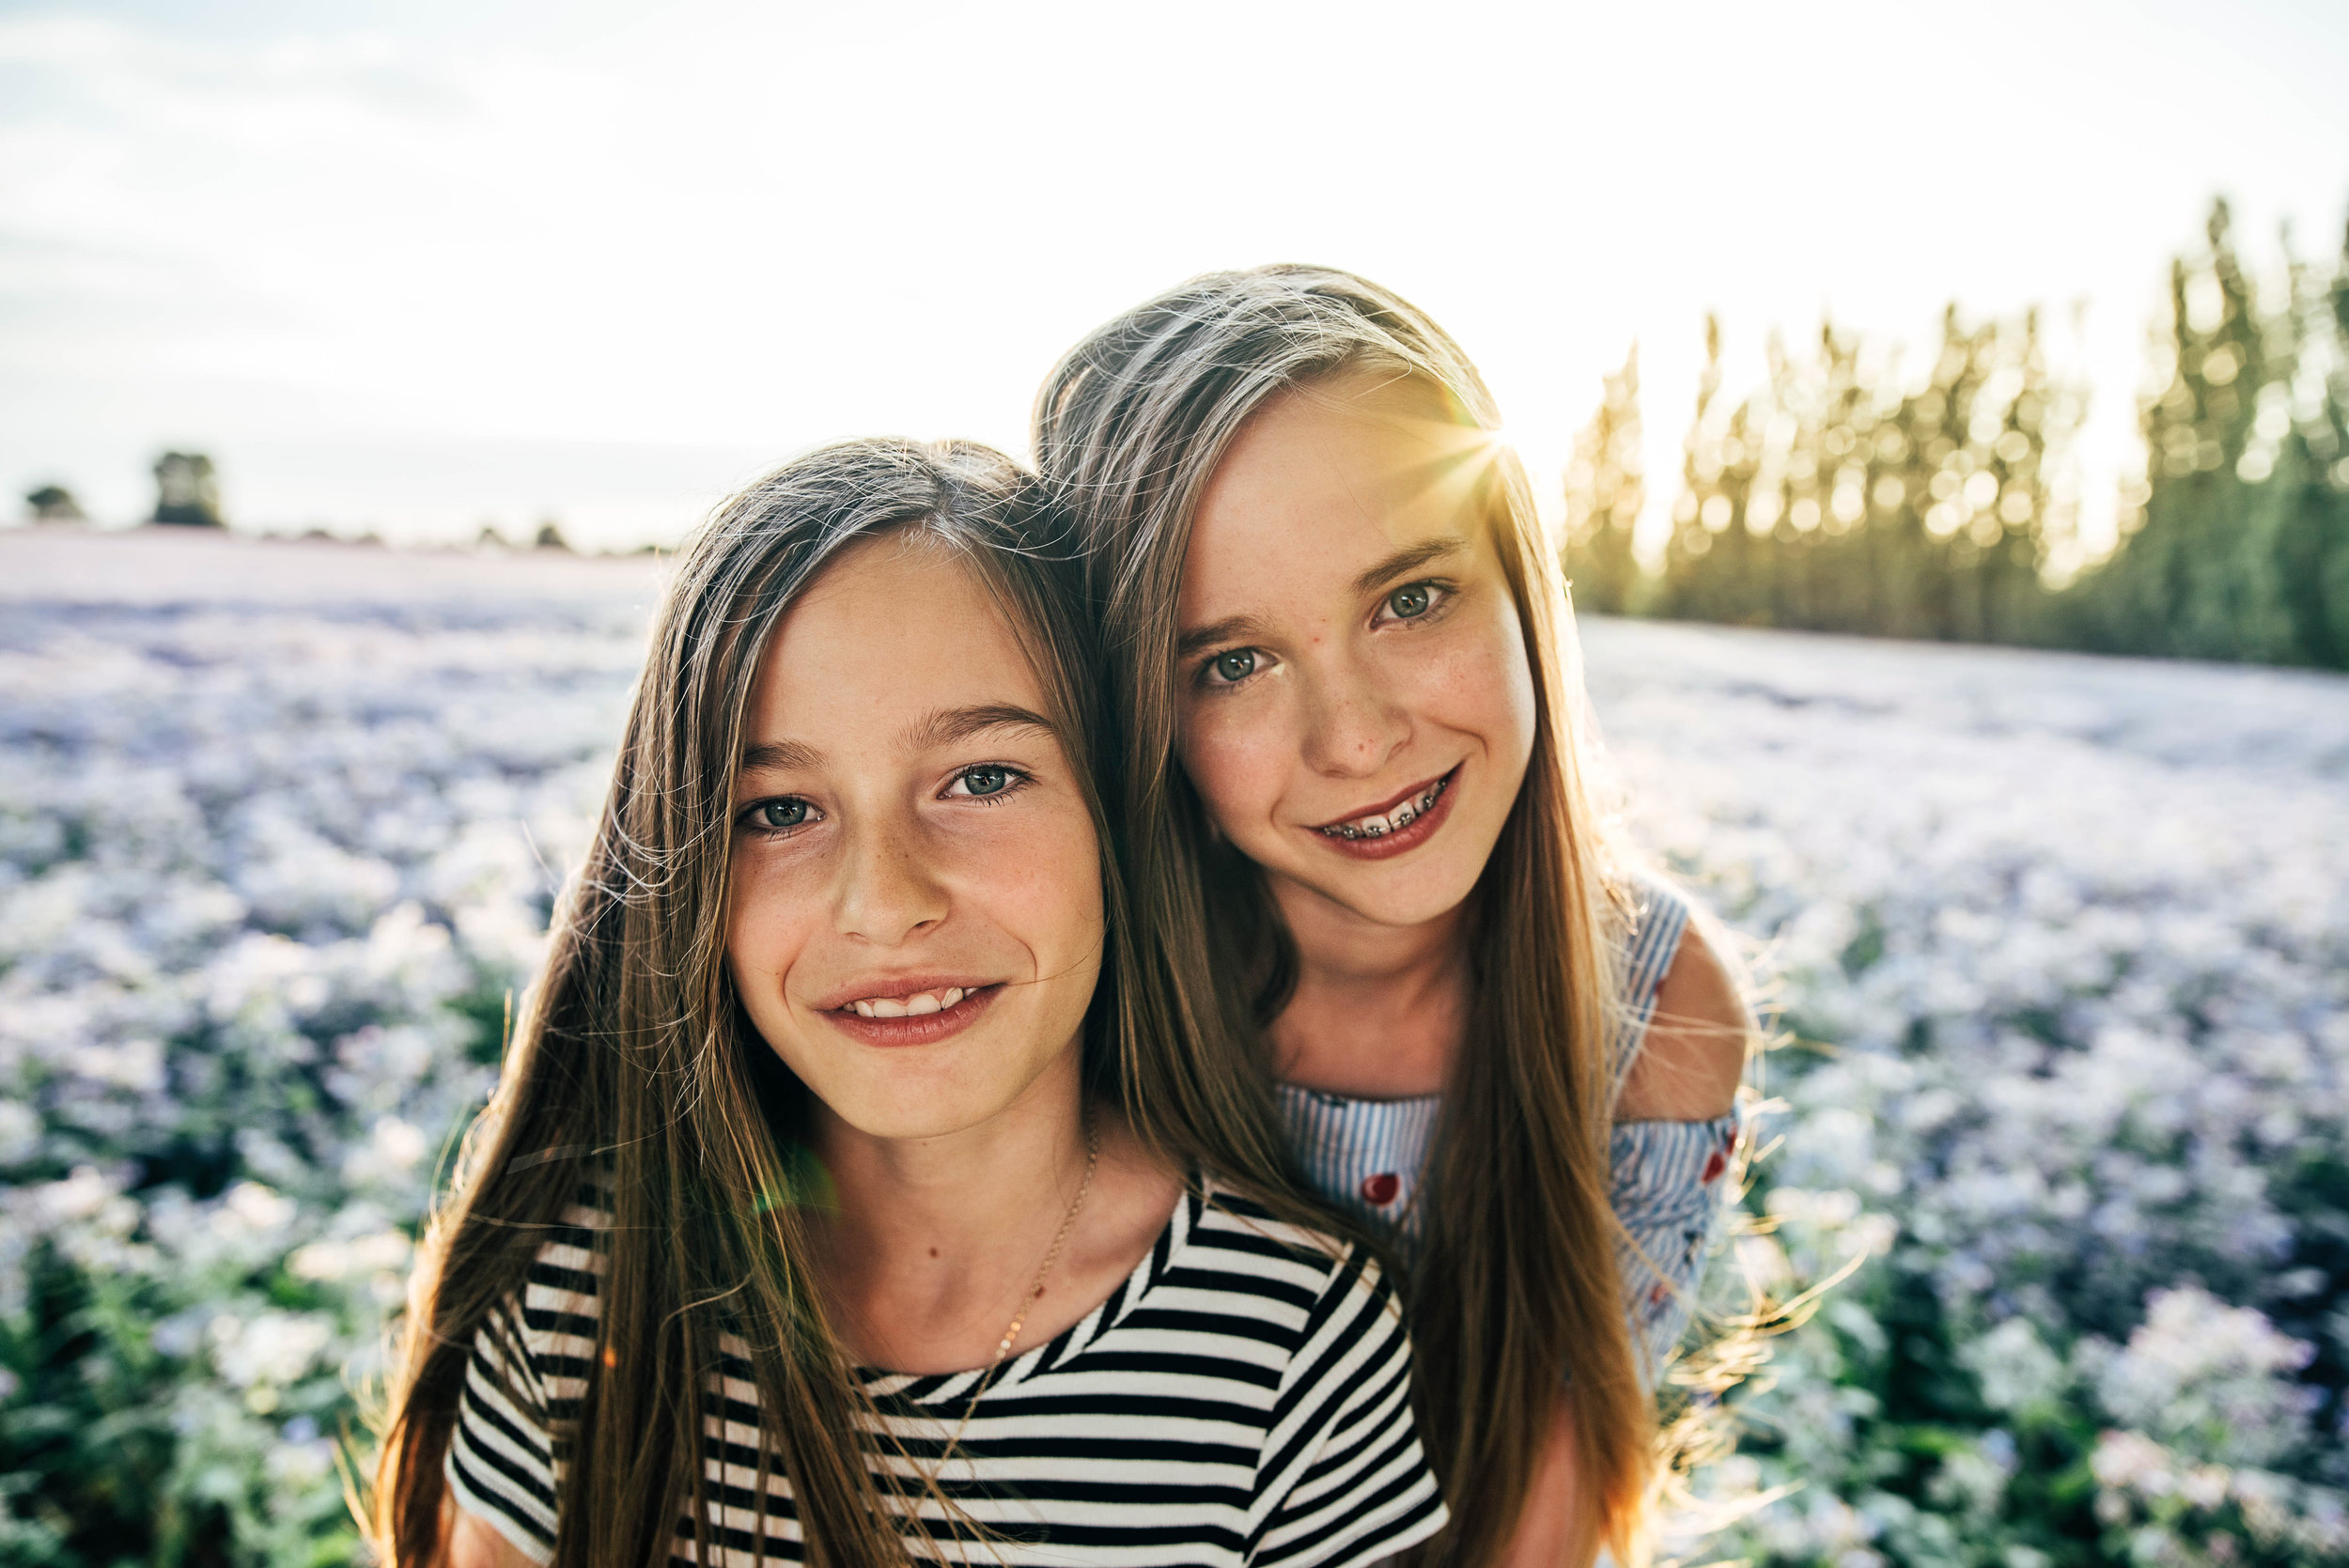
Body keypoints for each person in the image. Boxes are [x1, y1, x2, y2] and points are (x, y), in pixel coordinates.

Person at [374, 440, 1448, 1568]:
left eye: (982, 778)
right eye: (779, 810)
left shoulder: (1287, 1342)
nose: (883, 904)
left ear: (1119, 825)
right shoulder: (587, 1297)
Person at [1034, 269, 1753, 1567]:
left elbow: (1549, 1519)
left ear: (1520, 587)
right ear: (1142, 711)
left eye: (1410, 599)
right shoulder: (1073, 994)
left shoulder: (1652, 1002)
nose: (1358, 737)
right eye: (1232, 663)